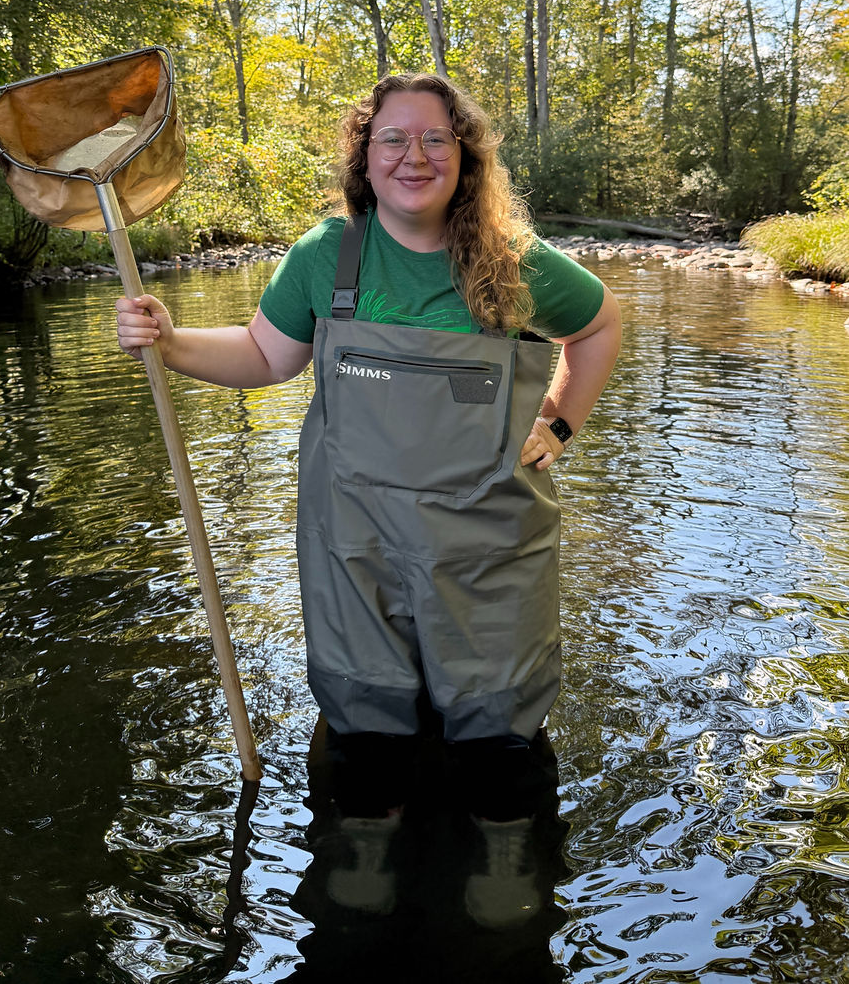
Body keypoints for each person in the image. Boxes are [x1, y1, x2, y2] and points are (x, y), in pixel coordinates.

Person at [116, 72, 620, 919]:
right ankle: (369, 832)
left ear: (465, 156)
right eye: (394, 138)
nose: (414, 155)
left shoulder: (516, 264)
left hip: (490, 539)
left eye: (435, 138)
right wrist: (167, 340)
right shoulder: (327, 255)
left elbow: (598, 327)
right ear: (366, 155)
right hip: (358, 541)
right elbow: (263, 356)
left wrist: (559, 427)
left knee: (497, 712)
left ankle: (503, 839)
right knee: (366, 702)